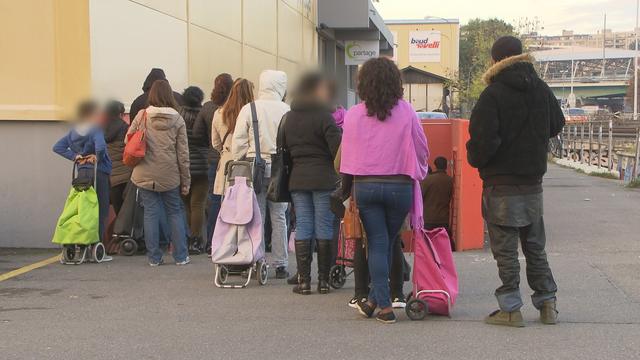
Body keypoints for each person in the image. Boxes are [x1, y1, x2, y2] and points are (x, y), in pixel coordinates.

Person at [467, 36, 564, 327]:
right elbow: (557, 123)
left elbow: (483, 142)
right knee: (535, 246)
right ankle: (548, 304)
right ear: (521, 57)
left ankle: (511, 309)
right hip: (532, 182)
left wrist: (478, 158)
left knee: (506, 250)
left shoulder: (493, 94)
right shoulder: (541, 89)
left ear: (495, 61)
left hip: (501, 184)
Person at [341, 57, 429, 324]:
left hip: (366, 185)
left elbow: (346, 154)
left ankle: (374, 301)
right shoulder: (407, 111)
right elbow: (421, 147)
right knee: (386, 241)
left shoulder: (354, 114)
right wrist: (420, 171)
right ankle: (383, 304)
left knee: (380, 242)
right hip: (399, 186)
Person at [281, 72, 341, 294]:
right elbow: (338, 150)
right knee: (324, 225)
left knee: (304, 224)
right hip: (324, 178)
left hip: (297, 178)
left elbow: (284, 150)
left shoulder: (289, 117)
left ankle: (304, 281)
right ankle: (323, 282)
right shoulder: (325, 117)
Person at [231, 70, 290, 279]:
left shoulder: (249, 109)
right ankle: (281, 263)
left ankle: (255, 259)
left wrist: (239, 161)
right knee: (279, 216)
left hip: (254, 167)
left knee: (255, 216)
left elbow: (237, 142)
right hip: (280, 169)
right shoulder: (286, 109)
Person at [127, 80, 191, 266]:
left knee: (150, 213)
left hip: (144, 172)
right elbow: (183, 153)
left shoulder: (142, 116)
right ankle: (180, 256)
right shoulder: (178, 119)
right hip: (170, 174)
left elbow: (128, 139)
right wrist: (186, 180)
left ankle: (154, 258)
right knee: (175, 212)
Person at [53, 100, 114, 261]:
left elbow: (57, 147)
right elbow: (100, 147)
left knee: (84, 208)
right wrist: (96, 157)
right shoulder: (95, 129)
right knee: (100, 209)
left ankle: (81, 241)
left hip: (82, 172)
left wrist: (75, 157)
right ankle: (96, 245)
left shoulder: (73, 132)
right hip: (98, 171)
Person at [193, 73, 234, 252]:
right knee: (236, 200)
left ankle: (211, 241)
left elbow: (197, 133)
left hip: (213, 159)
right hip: (234, 159)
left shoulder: (208, 108)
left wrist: (210, 145)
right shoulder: (238, 108)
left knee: (214, 200)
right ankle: (231, 241)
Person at [212, 79, 255, 195]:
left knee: (228, 205)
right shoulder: (252, 114)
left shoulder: (219, 113)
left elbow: (215, 143)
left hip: (227, 161)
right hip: (248, 163)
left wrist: (226, 150)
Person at [179, 86, 207, 254]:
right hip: (202, 164)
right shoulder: (203, 114)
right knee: (198, 204)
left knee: (186, 204)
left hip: (184, 165)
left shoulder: (179, 115)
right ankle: (196, 240)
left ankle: (189, 237)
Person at [103, 100, 131, 215]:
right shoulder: (125, 127)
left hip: (110, 176)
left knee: (117, 209)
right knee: (127, 211)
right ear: (121, 114)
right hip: (126, 174)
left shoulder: (101, 129)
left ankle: (117, 232)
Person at [421, 156, 454, 249]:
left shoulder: (427, 180)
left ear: (435, 165)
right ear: (446, 166)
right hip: (443, 218)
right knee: (444, 245)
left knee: (427, 245)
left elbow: (420, 197)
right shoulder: (450, 181)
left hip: (428, 218)